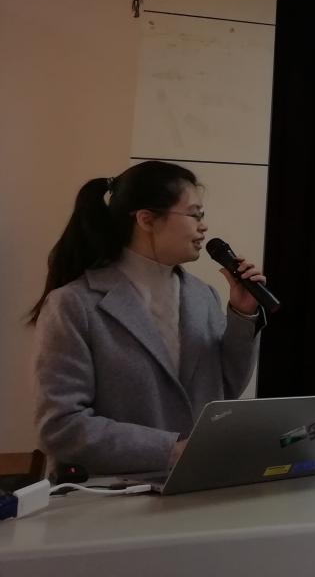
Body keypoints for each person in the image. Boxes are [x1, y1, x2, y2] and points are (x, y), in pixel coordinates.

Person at [29, 161, 267, 474]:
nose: (204, 227)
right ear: (146, 219)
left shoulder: (203, 296)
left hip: (197, 484)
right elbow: (61, 426)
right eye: (195, 214)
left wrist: (243, 314)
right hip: (111, 493)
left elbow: (225, 391)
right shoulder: (74, 304)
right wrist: (170, 451)